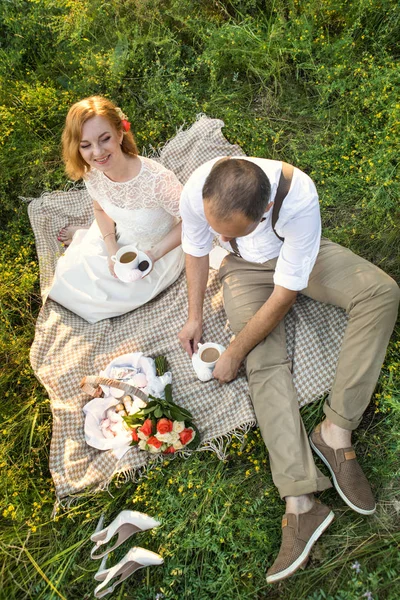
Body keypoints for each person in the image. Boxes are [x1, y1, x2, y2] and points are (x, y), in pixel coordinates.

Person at [178, 156, 400, 583]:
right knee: (265, 359)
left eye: (230, 231)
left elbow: (283, 297)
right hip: (243, 271)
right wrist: (194, 317)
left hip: (300, 261)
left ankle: (335, 433)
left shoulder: (298, 200)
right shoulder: (198, 190)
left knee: (381, 292)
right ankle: (301, 502)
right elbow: (195, 248)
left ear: (263, 213)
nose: (218, 237)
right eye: (215, 226)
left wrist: (233, 352)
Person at [49, 96, 184, 323]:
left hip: (159, 252)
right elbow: (100, 210)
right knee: (69, 280)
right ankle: (85, 235)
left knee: (106, 296)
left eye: (104, 139)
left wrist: (152, 255)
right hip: (120, 239)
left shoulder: (157, 180)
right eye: (85, 145)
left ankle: (85, 237)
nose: (97, 152)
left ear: (120, 133)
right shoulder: (92, 173)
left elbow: (194, 221)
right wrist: (111, 249)